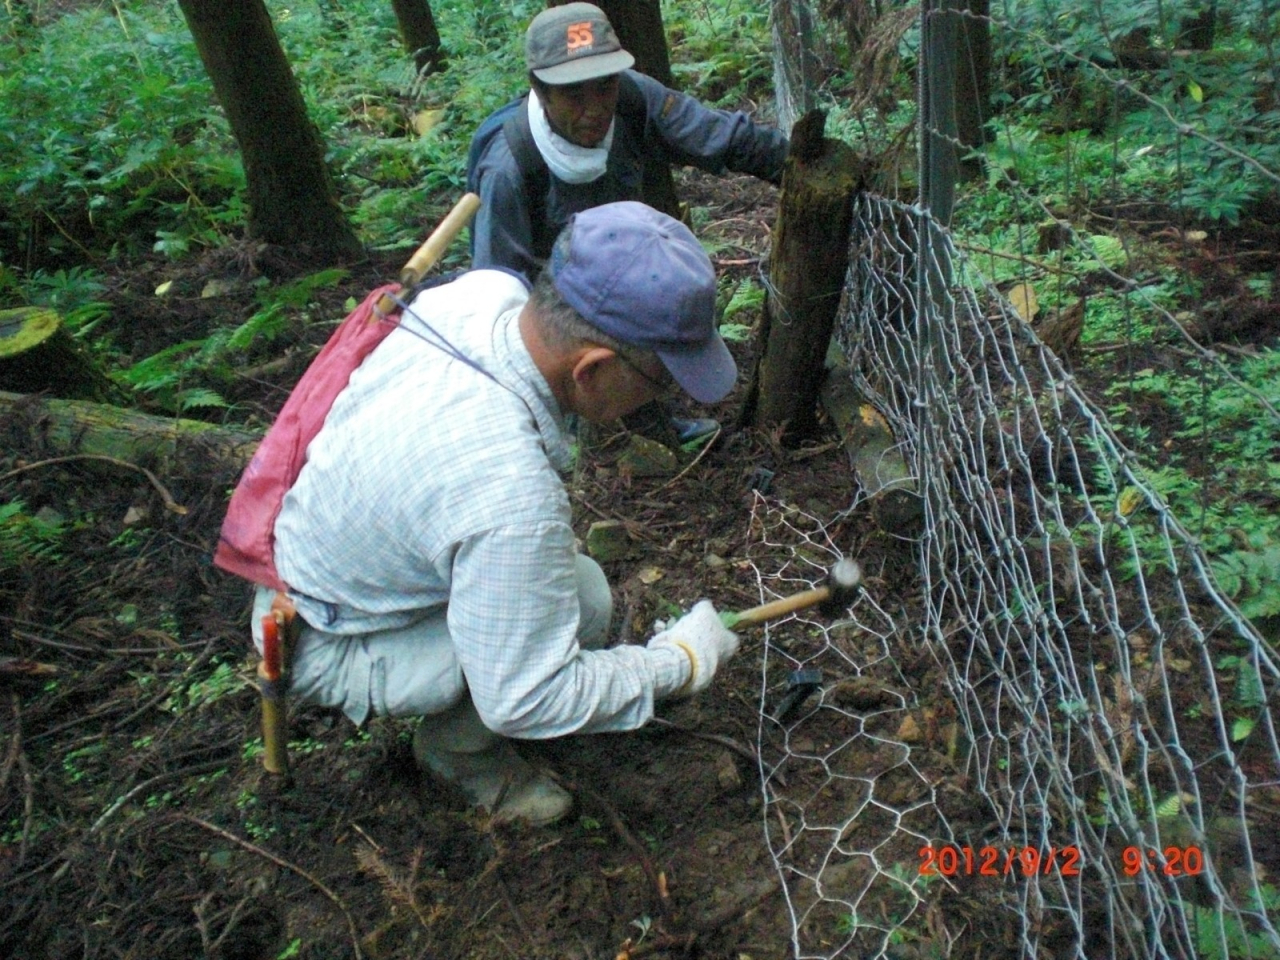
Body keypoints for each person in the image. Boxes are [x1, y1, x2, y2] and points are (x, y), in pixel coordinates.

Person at [251, 202, 741, 826]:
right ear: (590, 370)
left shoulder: (483, 295)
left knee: (568, 591)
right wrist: (680, 664)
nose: (664, 395)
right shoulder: (507, 495)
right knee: (582, 603)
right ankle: (457, 753)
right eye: (659, 377)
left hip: (306, 550)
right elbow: (525, 697)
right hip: (318, 633)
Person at [467, 2, 789, 442]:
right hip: (551, 297)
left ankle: (648, 422)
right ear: (540, 92)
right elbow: (494, 283)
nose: (596, 108)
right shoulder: (507, 169)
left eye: (604, 86)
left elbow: (719, 137)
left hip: (619, 263)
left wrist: (797, 163)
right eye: (574, 94)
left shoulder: (636, 99)